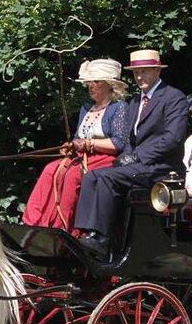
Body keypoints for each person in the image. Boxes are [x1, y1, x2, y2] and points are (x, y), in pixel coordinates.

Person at [74, 49, 189, 260]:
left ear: (157, 71)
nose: (139, 77)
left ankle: (103, 240)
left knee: (107, 178)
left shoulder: (174, 98)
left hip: (162, 168)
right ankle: (87, 233)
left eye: (144, 72)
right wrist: (124, 158)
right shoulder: (135, 102)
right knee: (92, 176)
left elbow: (172, 138)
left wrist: (137, 156)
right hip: (139, 166)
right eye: (136, 73)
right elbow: (129, 139)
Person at [22, 59, 130, 231]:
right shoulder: (86, 108)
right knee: (50, 169)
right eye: (89, 82)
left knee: (72, 176)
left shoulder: (119, 108)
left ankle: (64, 228)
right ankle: (33, 223)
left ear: (110, 85)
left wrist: (88, 144)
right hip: (80, 157)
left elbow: (118, 143)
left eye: (96, 82)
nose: (91, 86)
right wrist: (71, 145)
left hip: (105, 158)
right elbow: (78, 137)